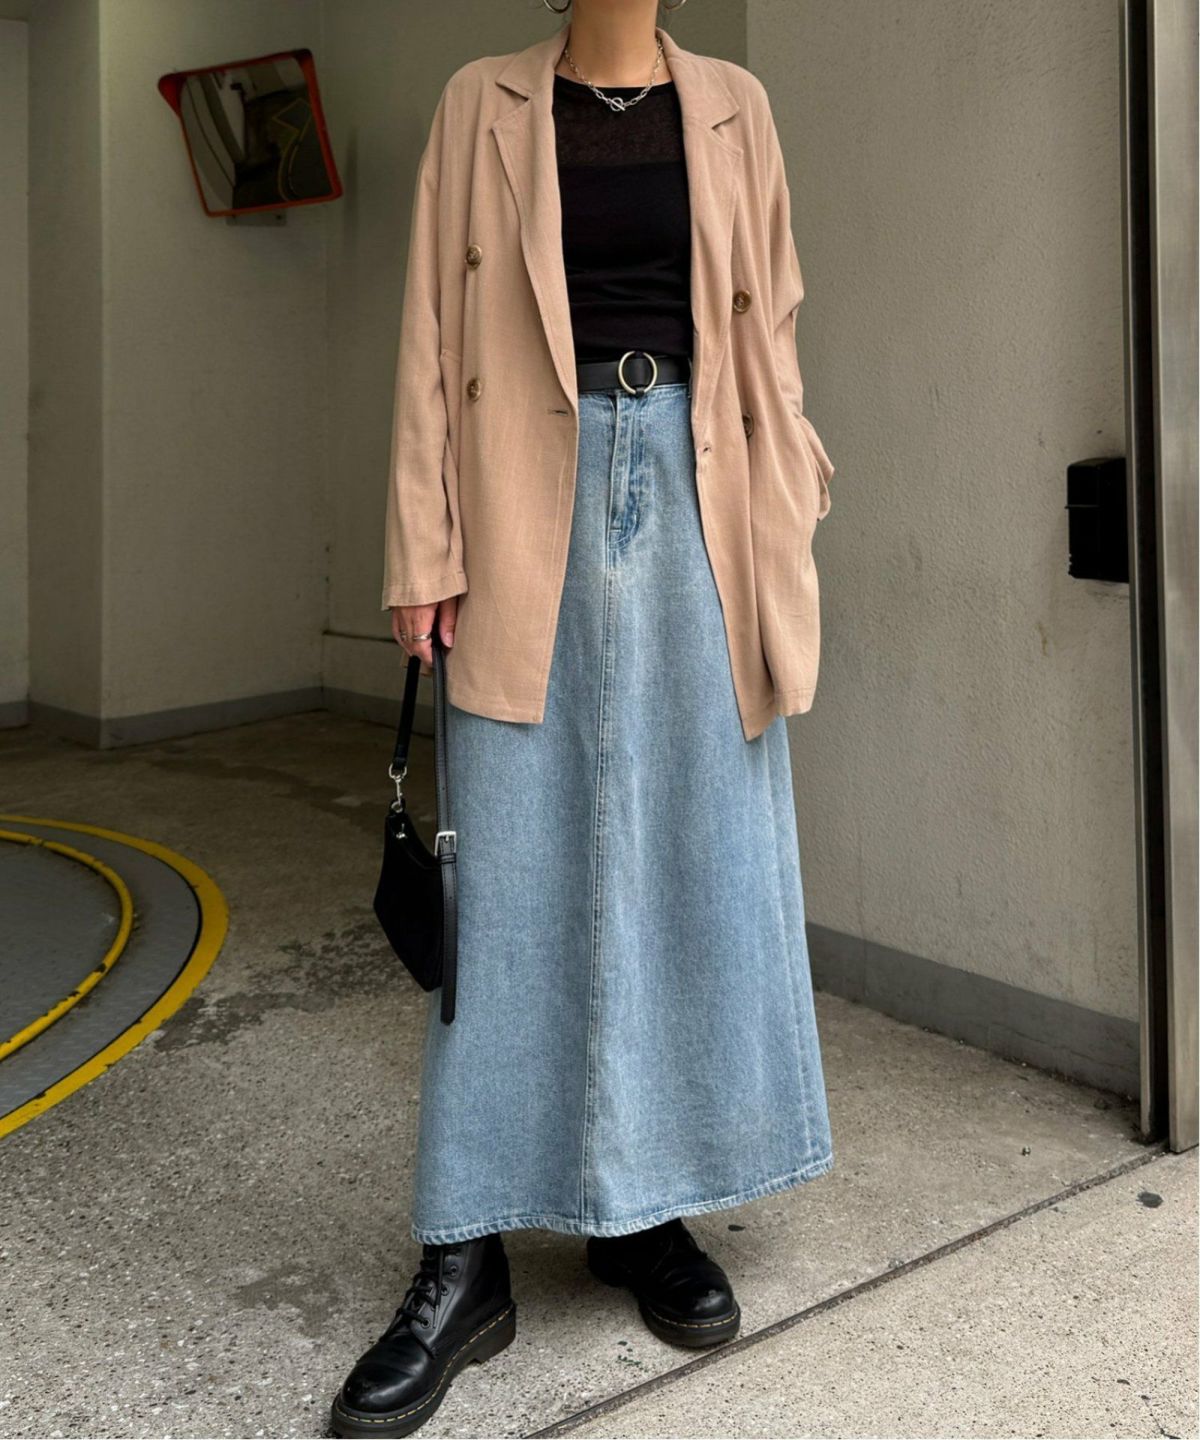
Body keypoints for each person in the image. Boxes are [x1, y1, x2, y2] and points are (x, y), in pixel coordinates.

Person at [331, 2, 836, 1435]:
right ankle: (466, 1247)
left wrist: (795, 492)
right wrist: (422, 549)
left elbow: (773, 323)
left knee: (687, 858)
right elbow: (432, 335)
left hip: (702, 499)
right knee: (511, 886)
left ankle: (643, 1209)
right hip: (515, 503)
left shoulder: (733, 103)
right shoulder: (479, 102)